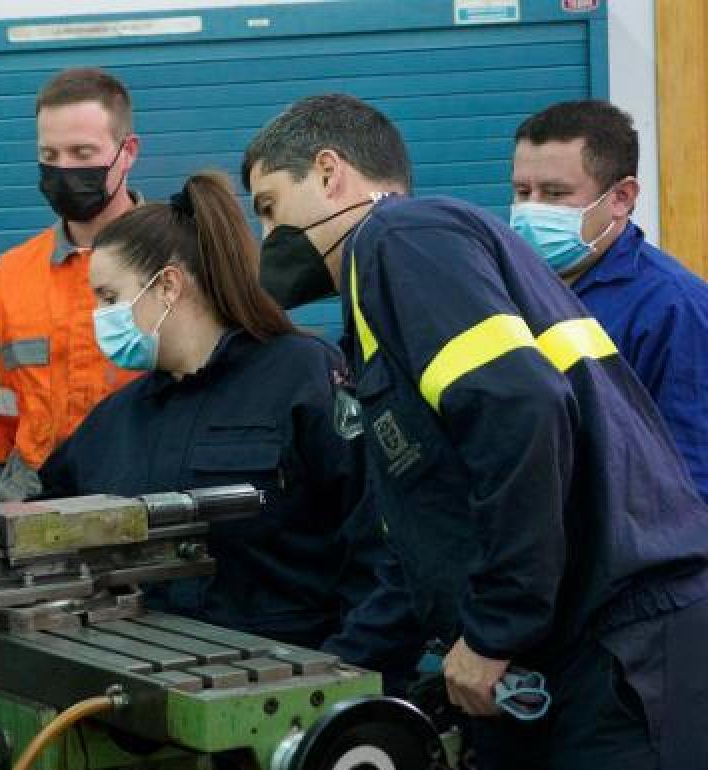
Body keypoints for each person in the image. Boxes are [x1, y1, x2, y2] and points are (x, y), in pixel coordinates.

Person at [243, 93, 708, 769]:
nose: (266, 238)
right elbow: (429, 533)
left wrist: (494, 632)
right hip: (571, 655)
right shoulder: (395, 285)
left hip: (621, 653)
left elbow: (522, 410)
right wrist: (337, 674)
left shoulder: (398, 240)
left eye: (268, 206)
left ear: (327, 172)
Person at [38, 171, 420, 680]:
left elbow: (391, 549)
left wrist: (340, 680)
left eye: (109, 297)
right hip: (151, 693)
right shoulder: (116, 419)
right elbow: (43, 527)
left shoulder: (305, 377)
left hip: (292, 690)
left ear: (169, 285)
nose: (98, 316)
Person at [0, 68, 143, 504]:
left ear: (127, 152)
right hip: (34, 505)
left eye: (82, 152)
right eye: (50, 154)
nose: (65, 170)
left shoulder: (181, 262)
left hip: (146, 499)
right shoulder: (10, 276)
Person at [511, 100, 708, 502]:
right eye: (521, 191)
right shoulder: (506, 286)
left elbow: (693, 482)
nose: (531, 211)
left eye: (554, 193)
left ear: (620, 197)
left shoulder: (675, 308)